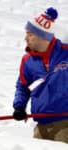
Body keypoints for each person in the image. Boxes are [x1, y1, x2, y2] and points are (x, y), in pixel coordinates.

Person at [12, 7, 68, 143]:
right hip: (41, 125)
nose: (25, 38)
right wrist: (19, 106)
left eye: (30, 34)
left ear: (43, 36)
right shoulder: (28, 62)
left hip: (65, 123)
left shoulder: (65, 53)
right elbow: (23, 87)